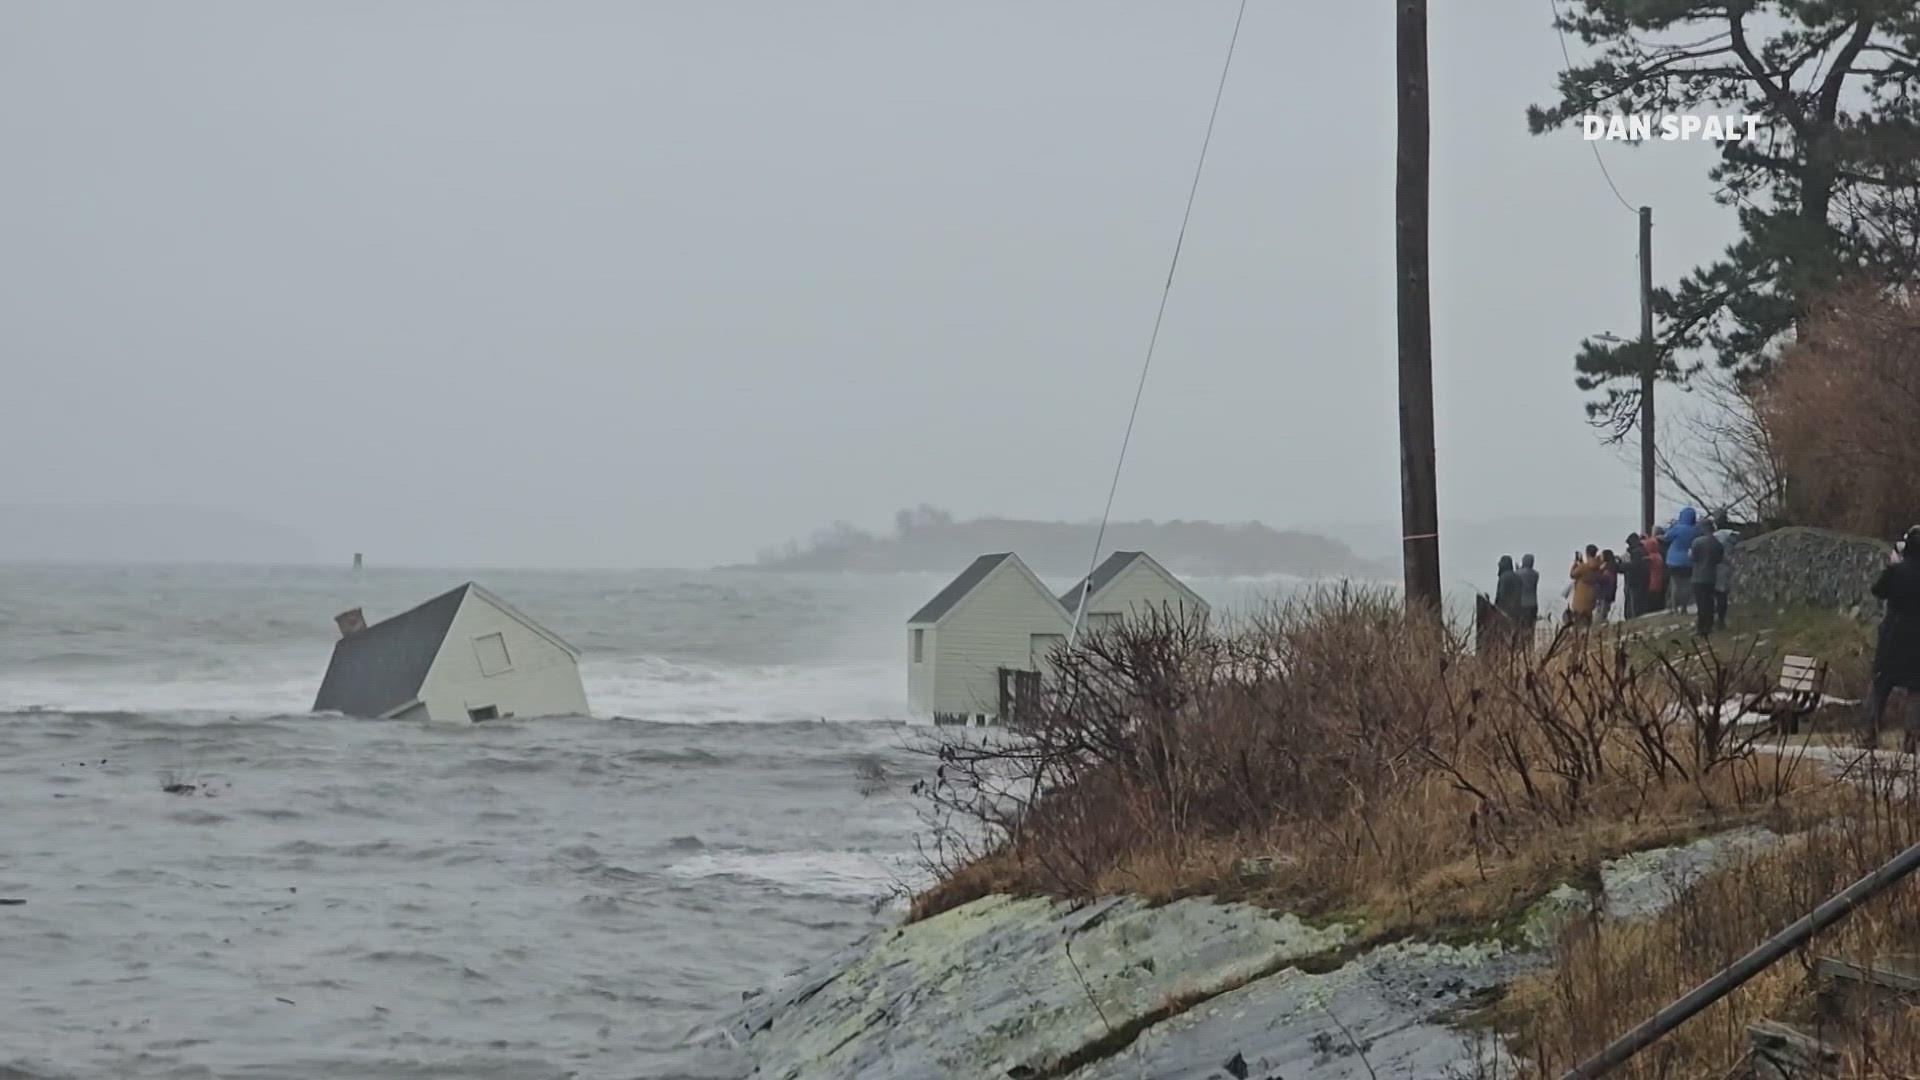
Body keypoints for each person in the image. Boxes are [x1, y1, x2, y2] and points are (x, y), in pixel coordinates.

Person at [1860, 525, 1920, 752]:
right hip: (1918, 640)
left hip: (1893, 636)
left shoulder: (1896, 571)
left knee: (1880, 684)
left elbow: (1878, 590)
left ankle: (1869, 735)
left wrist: (1892, 566)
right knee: (1916, 689)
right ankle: (1911, 741)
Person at [1687, 517, 1724, 637]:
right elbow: (1719, 559)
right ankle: (1709, 625)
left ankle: (1702, 628)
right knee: (1709, 602)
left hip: (1698, 576)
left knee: (1701, 603)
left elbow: (1693, 558)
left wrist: (1690, 554)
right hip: (1711, 576)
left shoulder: (1697, 542)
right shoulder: (1717, 543)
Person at [1665, 508, 1702, 613]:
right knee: (1687, 586)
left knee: (1675, 585)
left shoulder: (1678, 528)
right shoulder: (1696, 530)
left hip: (1674, 561)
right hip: (1689, 560)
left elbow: (1666, 537)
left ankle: (1675, 608)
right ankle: (1684, 607)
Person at [1711, 519, 1740, 631]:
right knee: (1723, 594)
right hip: (1728, 567)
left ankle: (1717, 618)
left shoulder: (1715, 536)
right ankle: (1721, 618)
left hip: (1717, 566)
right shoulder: (1733, 535)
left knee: (1715, 594)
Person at [1493, 555, 1525, 651]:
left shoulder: (1503, 577)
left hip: (1505, 610)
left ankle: (1504, 652)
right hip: (1517, 610)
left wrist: (1496, 607)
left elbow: (1501, 594)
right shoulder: (1518, 578)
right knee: (1515, 634)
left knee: (1504, 635)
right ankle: (1515, 651)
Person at [1568, 545, 1604, 628]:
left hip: (1580, 599)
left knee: (1578, 623)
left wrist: (1575, 563)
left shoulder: (1583, 567)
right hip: (1591, 596)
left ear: (1587, 553)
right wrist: (1582, 562)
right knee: (1588, 621)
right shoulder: (1598, 566)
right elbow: (1588, 569)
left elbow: (1572, 574)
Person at [1623, 533, 1649, 619]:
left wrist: (1621, 565)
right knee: (1639, 601)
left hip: (1634, 580)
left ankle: (1633, 618)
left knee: (1633, 603)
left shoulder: (1636, 552)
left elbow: (1634, 566)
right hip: (1643, 579)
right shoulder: (1643, 550)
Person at [1516, 553, 1541, 641]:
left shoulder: (1519, 573)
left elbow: (1519, 577)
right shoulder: (1536, 574)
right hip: (1533, 603)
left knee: (1522, 628)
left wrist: (1518, 569)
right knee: (1531, 627)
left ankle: (1522, 646)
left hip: (1522, 604)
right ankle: (1530, 645)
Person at [1644, 531, 1668, 613]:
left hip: (1652, 582)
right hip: (1659, 580)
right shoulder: (1658, 555)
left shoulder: (1651, 557)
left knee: (1652, 604)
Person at [1595, 549, 1620, 623]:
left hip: (1605, 594)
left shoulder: (1608, 567)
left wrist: (1599, 571)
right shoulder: (1612, 566)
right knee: (1603, 613)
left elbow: (1602, 578)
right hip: (1608, 593)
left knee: (1601, 614)